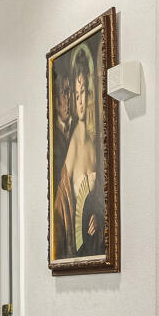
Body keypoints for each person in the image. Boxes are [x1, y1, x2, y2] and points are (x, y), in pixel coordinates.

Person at [52, 43, 102, 255]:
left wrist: (97, 216)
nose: (80, 101)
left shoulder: (94, 141)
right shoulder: (75, 137)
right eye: (76, 93)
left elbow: (99, 196)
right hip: (75, 244)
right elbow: (63, 194)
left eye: (83, 93)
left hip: (89, 244)